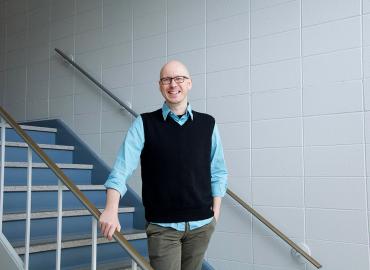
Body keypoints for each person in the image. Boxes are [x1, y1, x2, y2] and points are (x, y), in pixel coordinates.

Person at [99, 60, 228, 270]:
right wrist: (111, 208)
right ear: (160, 86)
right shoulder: (144, 123)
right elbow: (122, 168)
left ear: (189, 84)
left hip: (201, 225)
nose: (173, 84)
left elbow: (218, 170)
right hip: (163, 227)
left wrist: (216, 212)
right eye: (166, 79)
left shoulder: (208, 124)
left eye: (179, 78)